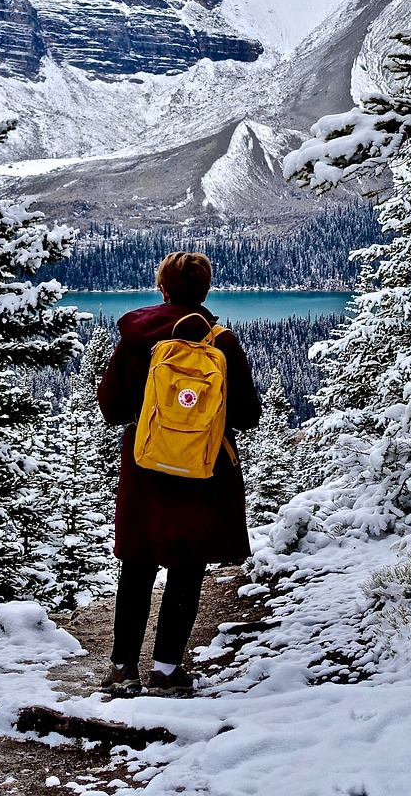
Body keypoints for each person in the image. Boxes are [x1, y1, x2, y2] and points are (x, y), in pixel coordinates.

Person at [97, 250, 261, 697]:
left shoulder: (135, 338)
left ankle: (121, 669)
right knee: (187, 568)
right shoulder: (221, 342)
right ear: (205, 291)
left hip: (145, 464)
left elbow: (111, 409)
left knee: (137, 563)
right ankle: (166, 670)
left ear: (162, 288)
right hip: (203, 469)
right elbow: (248, 416)